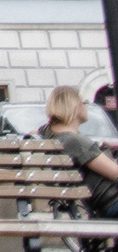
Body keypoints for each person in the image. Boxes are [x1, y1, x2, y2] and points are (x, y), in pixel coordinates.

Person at [47, 86, 118, 217]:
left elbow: (40, 130)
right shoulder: (76, 142)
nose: (86, 107)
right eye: (84, 103)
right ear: (75, 107)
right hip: (112, 203)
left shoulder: (54, 136)